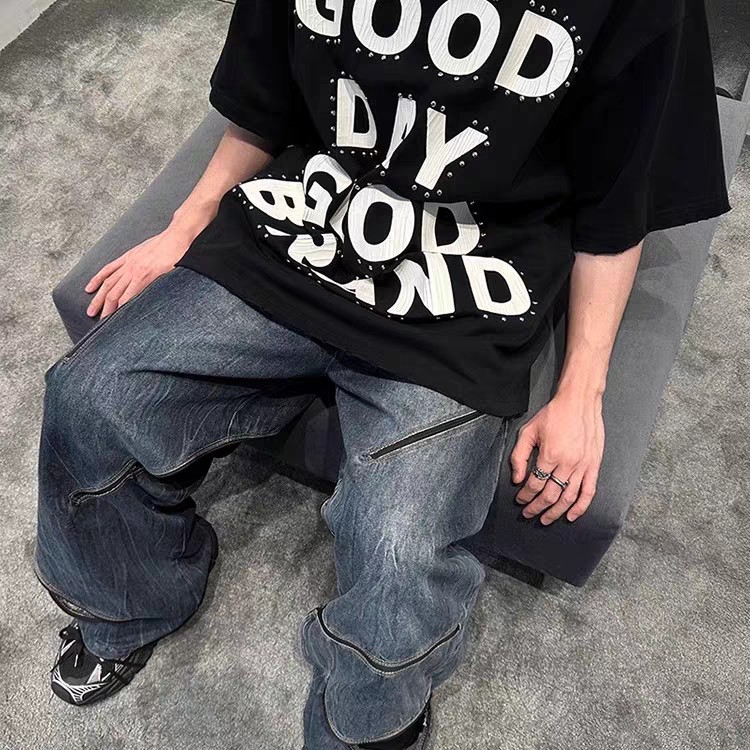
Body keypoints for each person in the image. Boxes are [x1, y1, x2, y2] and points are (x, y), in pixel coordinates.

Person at [36, 0, 729, 747]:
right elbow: (262, 94)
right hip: (304, 226)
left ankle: (368, 727)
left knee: (400, 547)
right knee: (89, 398)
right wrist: (187, 220)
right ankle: (129, 602)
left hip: (467, 290)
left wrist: (581, 390)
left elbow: (618, 203)